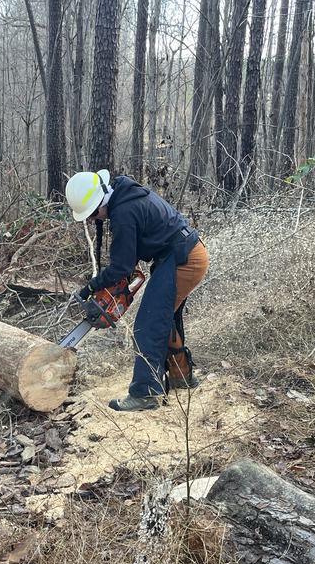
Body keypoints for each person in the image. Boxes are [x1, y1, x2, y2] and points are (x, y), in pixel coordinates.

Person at [65, 169, 209, 412]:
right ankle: (181, 375)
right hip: (184, 253)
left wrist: (90, 287)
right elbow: (127, 261)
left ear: (100, 202)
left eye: (93, 214)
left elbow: (121, 267)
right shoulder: (124, 194)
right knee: (163, 318)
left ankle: (145, 394)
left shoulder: (124, 212)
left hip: (183, 259)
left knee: (148, 324)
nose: (94, 220)